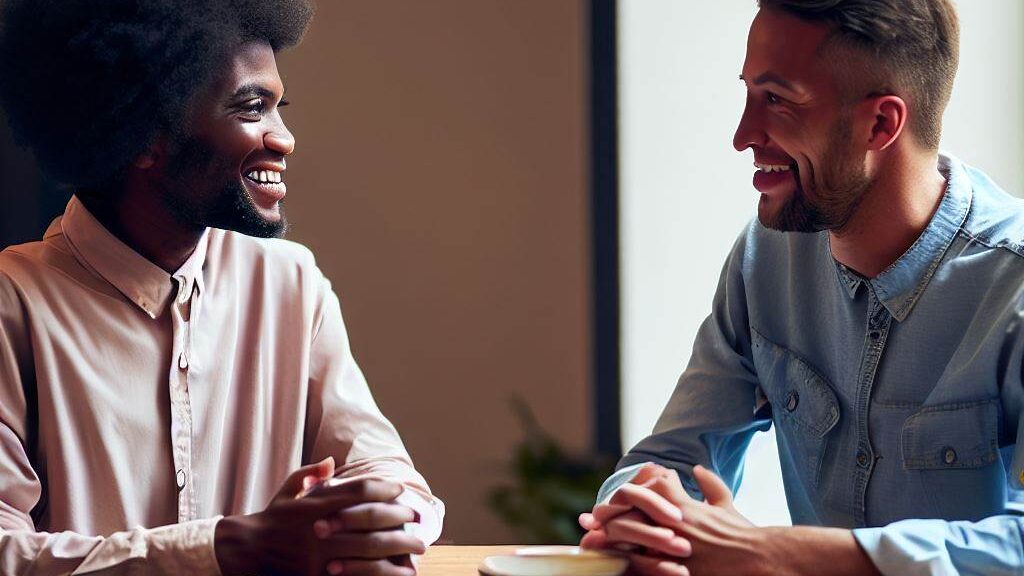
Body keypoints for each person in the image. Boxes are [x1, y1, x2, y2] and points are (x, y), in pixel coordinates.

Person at [580, 1, 1024, 574]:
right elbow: (670, 460)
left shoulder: (1013, 287)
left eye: (777, 100)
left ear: (881, 124)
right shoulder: (765, 257)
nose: (742, 136)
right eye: (747, 94)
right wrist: (643, 512)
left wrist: (775, 554)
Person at [0, 1, 443, 575]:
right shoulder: (14, 304)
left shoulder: (291, 284)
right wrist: (230, 548)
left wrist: (371, 517)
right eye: (252, 108)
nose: (284, 139)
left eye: (279, 108)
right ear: (145, 136)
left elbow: (384, 473)